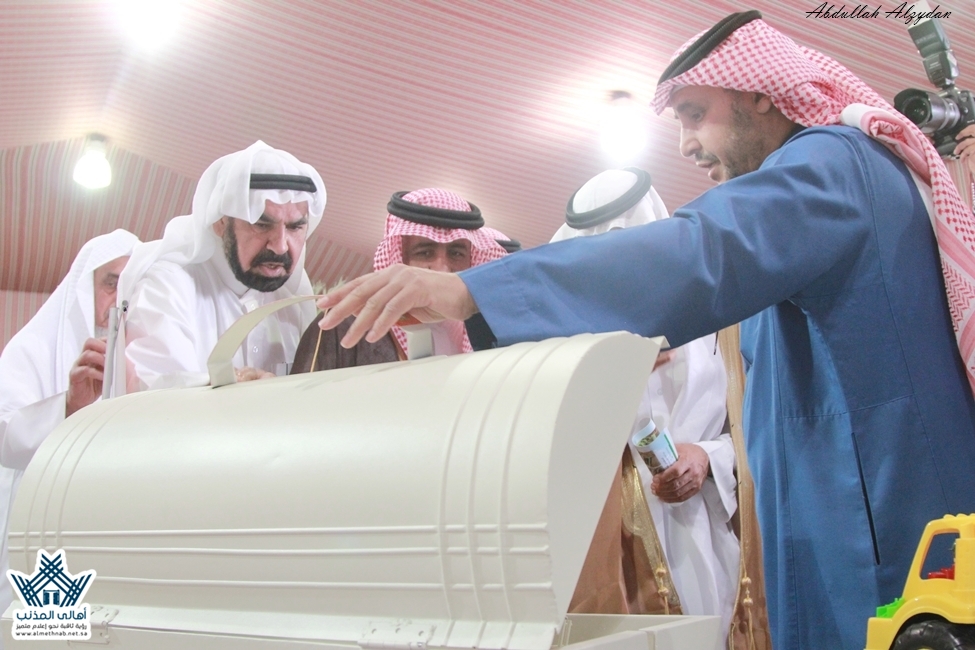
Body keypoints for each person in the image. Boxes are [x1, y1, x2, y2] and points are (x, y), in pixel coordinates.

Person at [315, 11, 975, 650]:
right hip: (842, 514)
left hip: (885, 518)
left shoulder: (833, 165)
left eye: (695, 113)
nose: (685, 143)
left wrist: (473, 291)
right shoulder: (827, 181)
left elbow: (701, 252)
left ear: (760, 93)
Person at [552, 168, 739, 633]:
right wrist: (605, 381)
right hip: (606, 542)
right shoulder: (560, 335)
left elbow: (751, 426)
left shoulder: (714, 319)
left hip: (703, 528)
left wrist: (707, 458)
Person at [0, 229, 139, 624]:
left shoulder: (146, 353)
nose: (121, 298)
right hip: (42, 524)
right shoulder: (33, 349)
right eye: (111, 283)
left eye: (130, 286)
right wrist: (69, 405)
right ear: (84, 288)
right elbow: (6, 437)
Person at [119, 141, 326, 390]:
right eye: (261, 225)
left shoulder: (294, 302)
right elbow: (155, 390)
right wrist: (247, 391)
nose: (280, 246)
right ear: (220, 223)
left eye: (295, 227)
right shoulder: (168, 286)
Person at [291, 187, 507, 372]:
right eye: (425, 253)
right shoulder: (344, 324)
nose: (441, 269)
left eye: (456, 254)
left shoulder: (488, 331)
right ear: (398, 257)